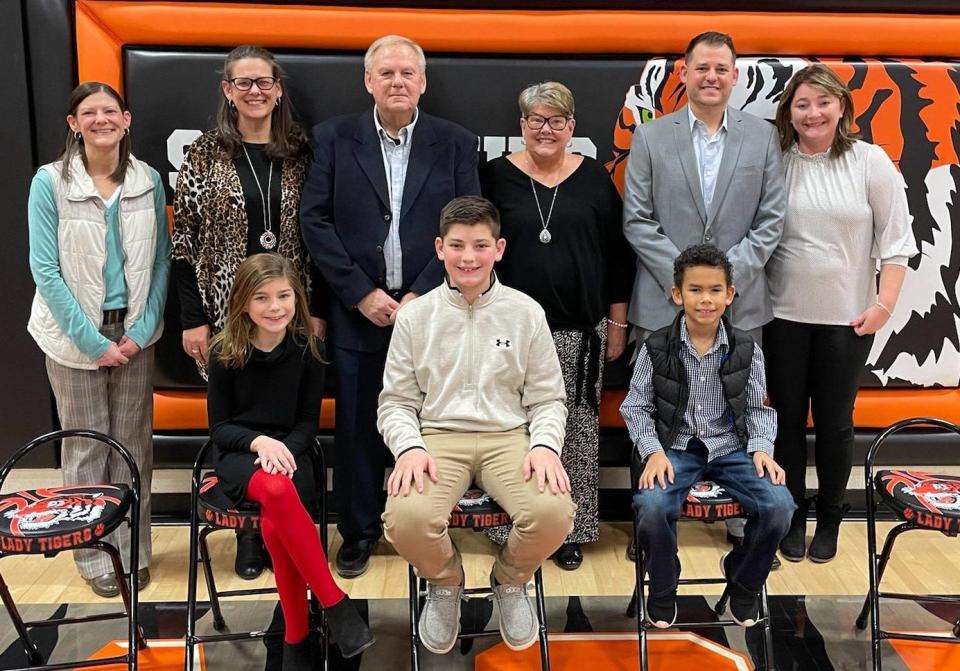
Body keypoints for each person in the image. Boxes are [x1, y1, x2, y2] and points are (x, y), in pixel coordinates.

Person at [300, 35, 480, 578]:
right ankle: (358, 531)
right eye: (387, 73)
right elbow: (316, 221)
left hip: (434, 313)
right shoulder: (333, 137)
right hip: (359, 313)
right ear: (368, 81)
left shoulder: (455, 142)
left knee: (432, 425)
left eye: (407, 73)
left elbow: (469, 221)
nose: (397, 81)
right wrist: (361, 293)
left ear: (422, 82)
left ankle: (425, 525)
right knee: (356, 426)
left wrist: (422, 293)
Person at [378, 195, 575, 654]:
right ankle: (446, 582)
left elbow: (548, 397)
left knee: (554, 514)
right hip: (437, 439)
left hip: (510, 438)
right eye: (458, 245)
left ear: (499, 249)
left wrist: (545, 445)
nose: (469, 257)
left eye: (481, 245)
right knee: (405, 519)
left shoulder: (526, 312)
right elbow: (395, 402)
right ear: (440, 248)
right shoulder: (414, 316)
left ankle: (510, 580)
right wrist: (408, 448)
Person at [621, 31, 785, 552]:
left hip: (743, 299)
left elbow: (771, 219)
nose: (711, 77)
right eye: (701, 68)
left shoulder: (762, 137)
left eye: (721, 68)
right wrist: (689, 284)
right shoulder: (651, 136)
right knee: (654, 406)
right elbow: (638, 220)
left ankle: (744, 522)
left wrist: (723, 281)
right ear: (684, 75)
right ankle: (649, 525)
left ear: (735, 76)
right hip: (661, 298)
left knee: (740, 403)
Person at [172, 45, 324, 580]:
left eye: (264, 82)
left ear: (279, 89)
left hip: (289, 308)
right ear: (227, 90)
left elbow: (320, 238)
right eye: (243, 83)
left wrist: (317, 310)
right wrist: (194, 319)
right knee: (240, 415)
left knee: (283, 412)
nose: (255, 91)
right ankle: (249, 537)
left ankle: (277, 531)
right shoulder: (202, 155)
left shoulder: (302, 153)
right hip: (225, 313)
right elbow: (185, 244)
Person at [480, 81, 634, 570]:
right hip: (505, 330)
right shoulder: (493, 177)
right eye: (535, 120)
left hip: (577, 330)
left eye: (556, 121)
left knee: (573, 433)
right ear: (521, 126)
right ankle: (512, 524)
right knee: (512, 433)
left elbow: (617, 255)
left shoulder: (593, 178)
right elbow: (473, 248)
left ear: (572, 128)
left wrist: (617, 321)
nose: (546, 130)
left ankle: (566, 529)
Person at [767, 64, 917, 563]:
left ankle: (830, 516)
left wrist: (883, 306)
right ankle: (789, 515)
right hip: (780, 317)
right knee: (786, 422)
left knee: (834, 423)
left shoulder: (870, 162)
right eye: (802, 103)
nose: (813, 113)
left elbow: (896, 246)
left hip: (847, 321)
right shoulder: (776, 161)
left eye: (823, 102)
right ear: (789, 111)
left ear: (842, 108)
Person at [27, 82, 169, 598]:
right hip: (73, 337)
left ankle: (136, 551)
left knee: (134, 448)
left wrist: (139, 331)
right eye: (90, 112)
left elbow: (158, 263)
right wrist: (93, 343)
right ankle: (93, 558)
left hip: (134, 334)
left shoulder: (148, 179)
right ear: (74, 123)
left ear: (126, 120)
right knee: (87, 449)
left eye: (110, 111)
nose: (101, 119)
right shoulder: (49, 183)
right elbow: (45, 271)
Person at [206, 254, 374, 667]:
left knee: (276, 515)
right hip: (240, 455)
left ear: (297, 299)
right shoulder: (224, 352)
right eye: (262, 298)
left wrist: (283, 451)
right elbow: (220, 429)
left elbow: (306, 424)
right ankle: (333, 602)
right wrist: (260, 443)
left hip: (292, 455)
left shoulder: (307, 349)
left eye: (284, 296)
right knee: (278, 492)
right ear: (244, 302)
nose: (275, 306)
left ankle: (296, 641)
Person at [620, 244, 793, 629]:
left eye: (715, 290)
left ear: (730, 295)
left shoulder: (747, 348)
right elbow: (635, 407)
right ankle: (663, 588)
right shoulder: (657, 347)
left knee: (780, 506)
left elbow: (759, 409)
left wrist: (762, 449)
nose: (706, 299)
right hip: (676, 449)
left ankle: (744, 583)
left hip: (731, 449)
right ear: (677, 294)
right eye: (695, 290)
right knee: (651, 509)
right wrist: (652, 452)